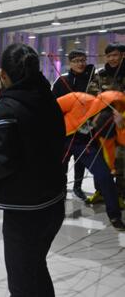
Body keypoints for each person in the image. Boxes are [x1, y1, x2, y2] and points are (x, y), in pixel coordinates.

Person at [0, 43, 66, 297]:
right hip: (53, 201)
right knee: (35, 267)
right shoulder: (48, 97)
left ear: (5, 76)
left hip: (25, 209)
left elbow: (4, 160)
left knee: (22, 278)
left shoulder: (8, 106)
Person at [57, 90, 125, 230]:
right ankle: (54, 208)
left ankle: (115, 216)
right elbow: (51, 109)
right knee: (56, 174)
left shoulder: (114, 119)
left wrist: (120, 125)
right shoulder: (77, 98)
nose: (93, 124)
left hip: (86, 145)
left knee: (104, 176)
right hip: (62, 138)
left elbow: (121, 141)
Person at [52, 50, 96, 200]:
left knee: (81, 160)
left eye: (83, 60)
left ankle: (78, 186)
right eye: (76, 61)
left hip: (85, 128)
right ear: (70, 63)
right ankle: (61, 188)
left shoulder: (92, 79)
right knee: (63, 160)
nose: (80, 64)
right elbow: (54, 104)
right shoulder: (62, 80)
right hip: (65, 129)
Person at [88, 43, 125, 206]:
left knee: (121, 160)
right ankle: (101, 191)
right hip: (103, 123)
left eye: (115, 55)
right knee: (102, 159)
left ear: (122, 55)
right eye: (109, 55)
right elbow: (91, 95)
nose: (112, 59)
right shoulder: (100, 75)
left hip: (122, 122)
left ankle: (120, 195)